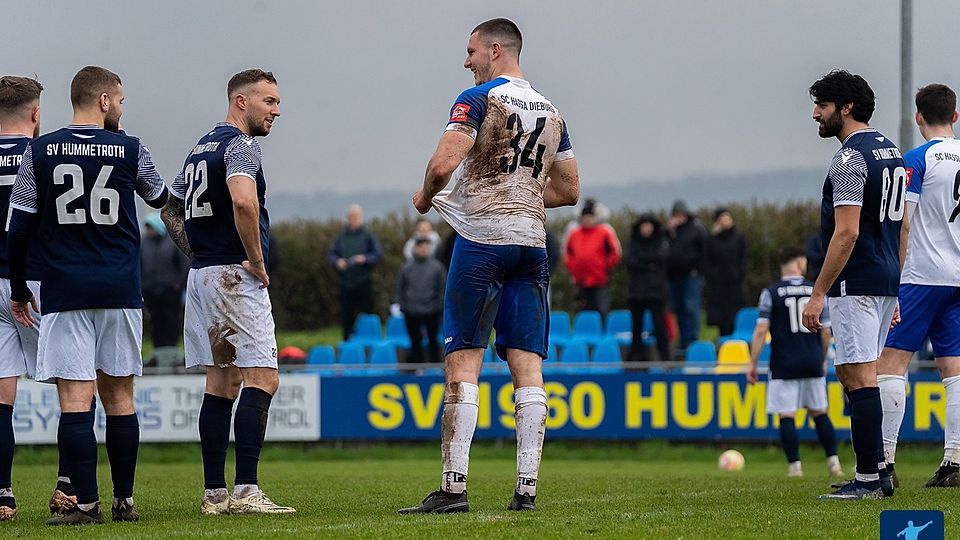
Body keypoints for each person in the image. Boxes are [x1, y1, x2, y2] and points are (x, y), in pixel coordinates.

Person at [400, 17, 579, 514]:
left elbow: (441, 165)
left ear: (495, 49)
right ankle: (527, 490)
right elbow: (568, 190)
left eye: (471, 51)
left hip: (482, 240)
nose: (467, 61)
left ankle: (454, 487)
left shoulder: (478, 99)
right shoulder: (553, 111)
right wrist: (520, 193)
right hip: (533, 244)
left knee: (464, 363)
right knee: (529, 367)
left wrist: (427, 196)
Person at [8, 66, 169, 524]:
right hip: (120, 289)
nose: (120, 107)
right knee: (120, 397)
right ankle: (125, 501)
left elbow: (18, 229)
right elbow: (161, 200)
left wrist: (20, 290)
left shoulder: (38, 151)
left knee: (75, 401)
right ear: (102, 101)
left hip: (65, 289)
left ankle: (86, 504)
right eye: (119, 99)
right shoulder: (131, 148)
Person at [161, 69, 294, 515]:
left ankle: (214, 493)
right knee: (263, 378)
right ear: (241, 101)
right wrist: (254, 259)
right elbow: (243, 200)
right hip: (235, 278)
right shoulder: (241, 145)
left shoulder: (201, 146)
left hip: (202, 274)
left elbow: (170, 208)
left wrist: (197, 250)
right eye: (269, 101)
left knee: (221, 381)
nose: (277, 110)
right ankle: (246, 491)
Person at [802, 70, 905, 500]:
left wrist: (819, 291)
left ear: (845, 108)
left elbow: (846, 233)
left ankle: (867, 479)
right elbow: (903, 228)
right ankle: (878, 472)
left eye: (822, 106)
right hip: (883, 278)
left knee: (860, 377)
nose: (815, 115)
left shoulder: (850, 158)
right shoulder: (893, 152)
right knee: (854, 371)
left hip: (857, 281)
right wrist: (896, 285)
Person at [876, 83, 960, 489]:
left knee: (891, 364)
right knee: (955, 371)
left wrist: (896, 277)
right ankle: (955, 461)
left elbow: (903, 223)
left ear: (918, 117)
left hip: (922, 276)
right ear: (956, 116)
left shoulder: (915, 160)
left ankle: (884, 459)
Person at [0, 75, 52, 522]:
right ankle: (70, 487)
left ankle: (2, 494)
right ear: (35, 114)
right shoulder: (41, 155)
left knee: (1, 395)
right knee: (73, 383)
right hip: (35, 283)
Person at [747, 247, 843, 478]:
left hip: (783, 362)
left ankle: (795, 467)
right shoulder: (816, 291)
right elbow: (826, 333)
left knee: (786, 415)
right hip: (811, 360)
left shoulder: (771, 293)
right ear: (801, 264)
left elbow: (761, 331)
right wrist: (821, 359)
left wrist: (751, 363)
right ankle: (833, 463)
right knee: (820, 412)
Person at [328, 204, 383, 340]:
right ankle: (348, 343)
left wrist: (364, 259)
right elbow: (331, 255)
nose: (354, 220)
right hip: (346, 282)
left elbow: (377, 254)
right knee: (347, 316)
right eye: (351, 217)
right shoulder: (341, 237)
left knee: (366, 315)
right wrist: (337, 262)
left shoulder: (368, 235)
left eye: (356, 217)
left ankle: (368, 340)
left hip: (364, 282)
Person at [625, 213, 670, 362]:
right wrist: (648, 264)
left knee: (660, 327)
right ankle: (635, 359)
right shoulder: (634, 241)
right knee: (636, 329)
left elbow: (662, 259)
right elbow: (630, 262)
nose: (646, 228)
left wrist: (642, 261)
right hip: (636, 293)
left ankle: (665, 358)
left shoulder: (660, 241)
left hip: (655, 293)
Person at [563, 201, 621, 316]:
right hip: (580, 281)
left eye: (590, 217)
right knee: (582, 311)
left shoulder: (604, 232)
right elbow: (567, 253)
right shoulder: (574, 234)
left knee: (601, 310)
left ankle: (603, 332)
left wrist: (605, 267)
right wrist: (573, 269)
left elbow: (614, 253)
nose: (588, 220)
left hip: (599, 280)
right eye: (585, 217)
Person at [140, 213, 188, 353]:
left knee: (170, 319)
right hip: (150, 289)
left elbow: (183, 264)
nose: (150, 231)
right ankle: (158, 350)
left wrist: (179, 283)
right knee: (156, 321)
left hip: (170, 289)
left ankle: (171, 349)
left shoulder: (172, 242)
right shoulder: (144, 243)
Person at [395, 238, 446, 363]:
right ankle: (417, 368)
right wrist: (403, 306)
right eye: (421, 247)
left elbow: (443, 288)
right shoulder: (406, 267)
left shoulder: (437, 267)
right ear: (415, 248)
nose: (423, 249)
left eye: (426, 247)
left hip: (432, 311)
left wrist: (438, 306)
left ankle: (434, 367)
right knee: (415, 341)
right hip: (411, 311)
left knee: (433, 340)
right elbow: (399, 288)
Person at [665, 199, 707, 348]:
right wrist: (669, 231)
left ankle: (691, 341)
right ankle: (683, 342)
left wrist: (698, 269)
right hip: (673, 276)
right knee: (678, 309)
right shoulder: (670, 231)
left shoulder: (696, 228)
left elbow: (705, 251)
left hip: (692, 276)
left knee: (691, 308)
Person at [705, 207, 746, 336]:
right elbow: (707, 259)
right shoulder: (712, 239)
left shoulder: (739, 238)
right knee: (721, 319)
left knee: (735, 316)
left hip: (734, 283)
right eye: (722, 219)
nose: (725, 221)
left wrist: (738, 273)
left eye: (727, 218)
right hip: (718, 285)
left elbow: (743, 258)